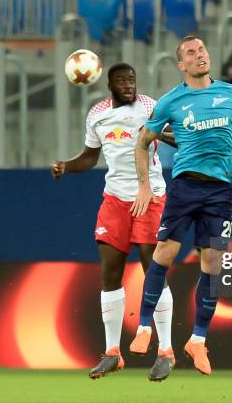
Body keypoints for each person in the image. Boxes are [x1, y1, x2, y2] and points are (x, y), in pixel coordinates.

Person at [129, 36, 232, 378]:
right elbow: (142, 142)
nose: (199, 56)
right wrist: (143, 185)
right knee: (164, 254)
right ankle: (143, 326)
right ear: (181, 65)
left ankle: (198, 340)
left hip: (219, 194)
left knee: (213, 262)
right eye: (190, 53)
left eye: (201, 50)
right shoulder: (171, 101)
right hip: (185, 188)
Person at [51, 63, 176, 381]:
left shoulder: (150, 106)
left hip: (150, 196)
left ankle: (165, 351)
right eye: (122, 80)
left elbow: (171, 136)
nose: (128, 84)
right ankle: (112, 353)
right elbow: (90, 157)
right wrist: (66, 165)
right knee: (109, 272)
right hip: (115, 200)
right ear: (110, 84)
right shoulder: (97, 114)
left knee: (154, 270)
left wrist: (171, 135)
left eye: (132, 79)